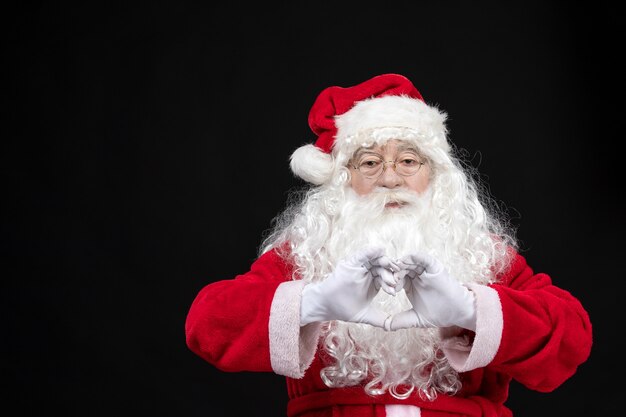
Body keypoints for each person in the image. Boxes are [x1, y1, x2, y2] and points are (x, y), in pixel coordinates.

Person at [184, 73, 592, 416]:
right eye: (369, 163)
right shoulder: (307, 253)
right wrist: (313, 301)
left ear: (436, 174)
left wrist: (470, 310)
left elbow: (572, 341)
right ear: (343, 178)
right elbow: (206, 326)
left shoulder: (481, 254)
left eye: (408, 161)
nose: (391, 179)